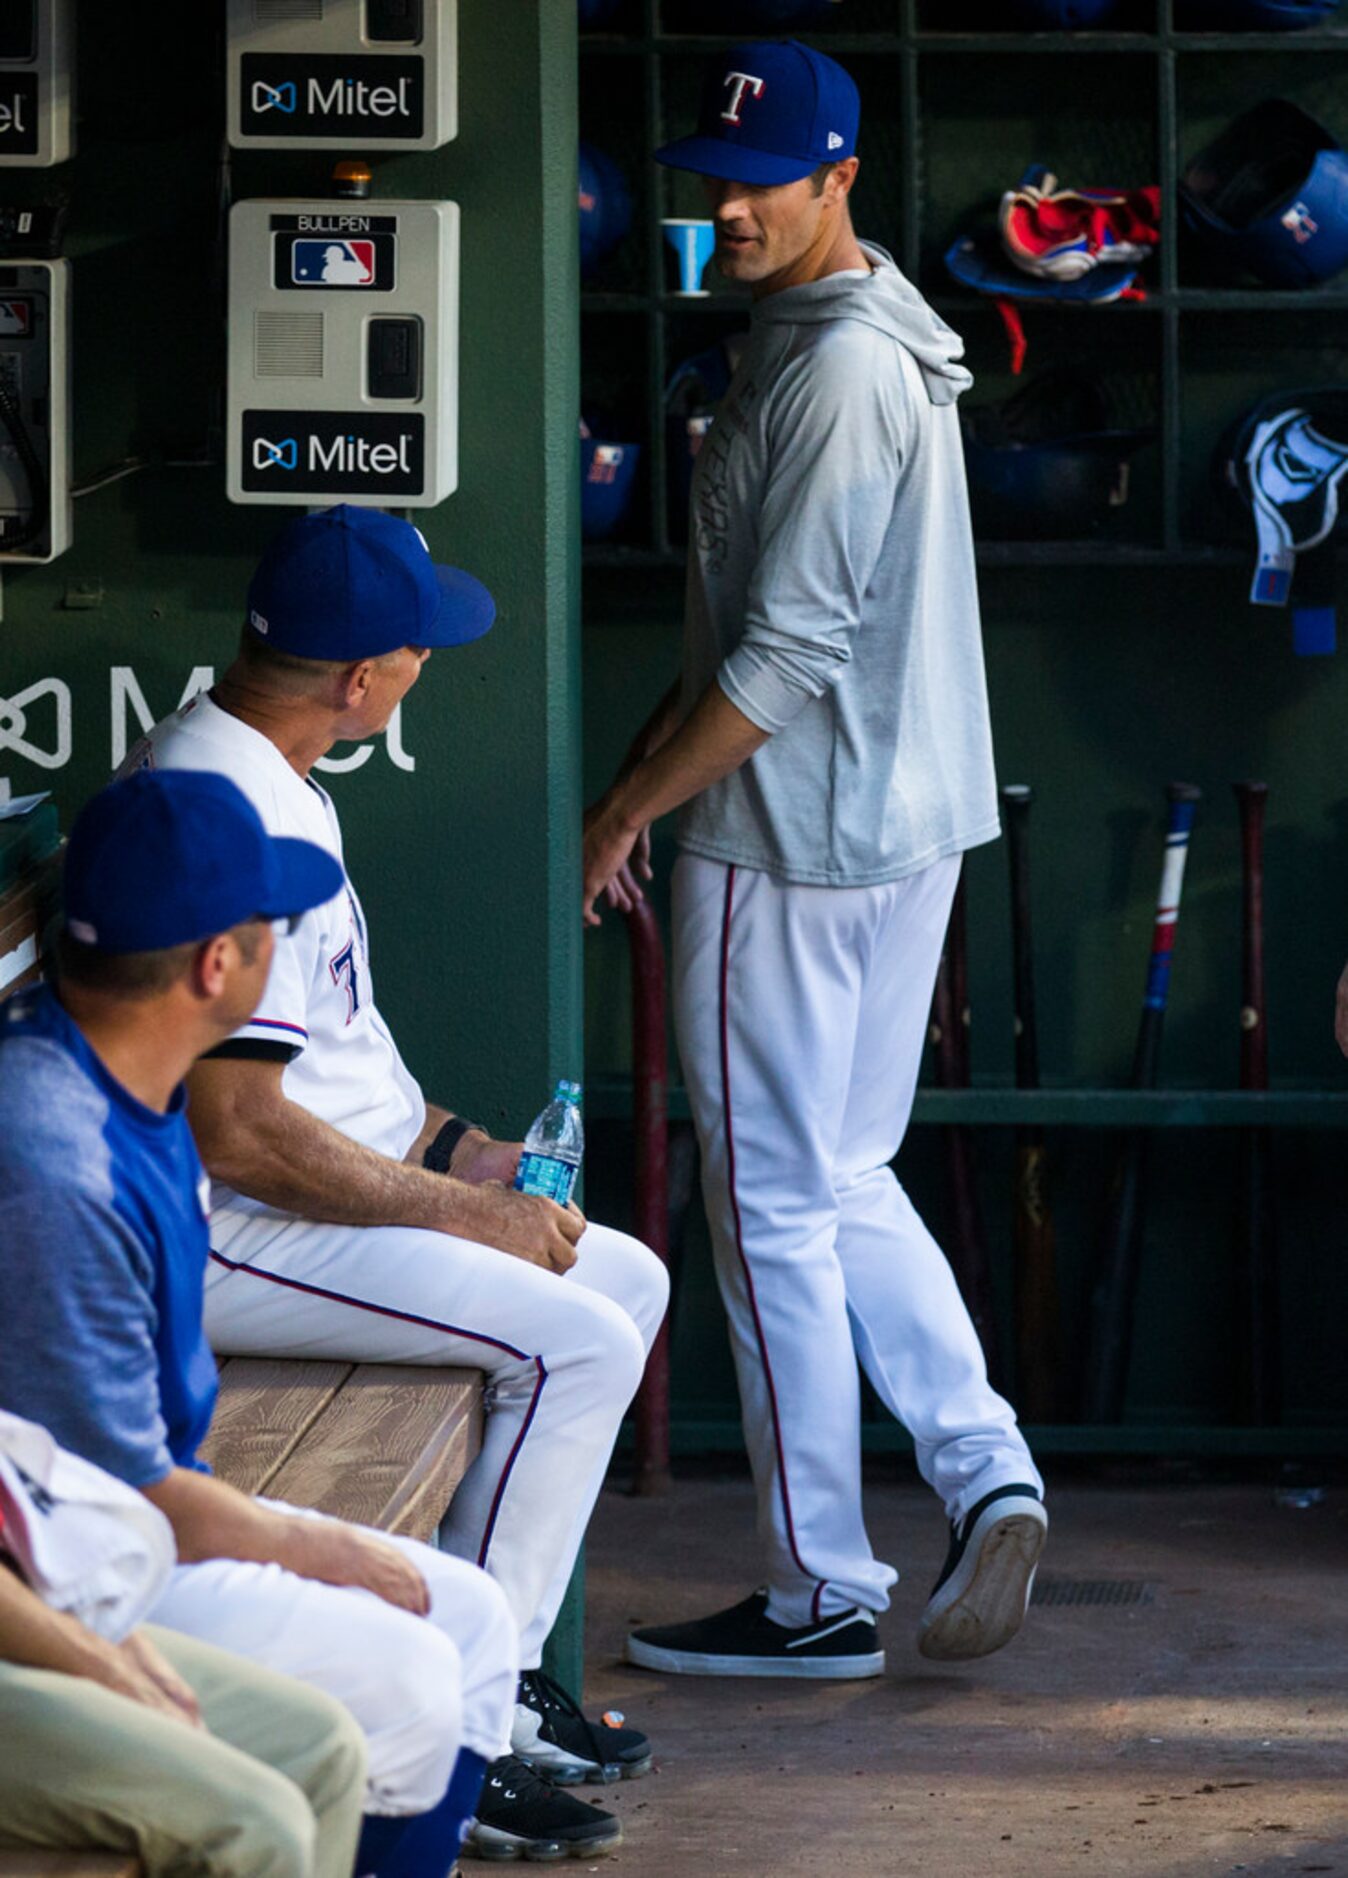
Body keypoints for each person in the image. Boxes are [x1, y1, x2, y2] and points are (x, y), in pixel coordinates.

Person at [582, 38, 1047, 1679]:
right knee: (841, 1176)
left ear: (837, 172)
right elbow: (743, 636)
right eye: (713, 184)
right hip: (893, 830)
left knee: (769, 1202)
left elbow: (776, 661)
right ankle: (985, 1466)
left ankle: (814, 1590)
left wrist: (637, 807)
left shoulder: (837, 362)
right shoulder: (846, 331)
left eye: (758, 180)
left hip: (787, 840)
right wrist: (635, 773)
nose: (727, 210)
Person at [125, 506, 668, 1859]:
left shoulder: (275, 768)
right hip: (233, 1227)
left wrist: (456, 1148)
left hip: (318, 1197)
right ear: (359, 680)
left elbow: (341, 1062)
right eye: (416, 645)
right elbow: (237, 1129)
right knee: (571, 1343)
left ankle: (504, 1676)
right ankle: (460, 1737)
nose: (431, 658)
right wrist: (465, 1209)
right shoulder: (216, 803)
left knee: (628, 1278)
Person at [0, 769, 521, 1877]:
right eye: (269, 925)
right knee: (420, 1671)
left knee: (470, 1619)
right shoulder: (55, 1163)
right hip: (80, 1554)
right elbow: (114, 1494)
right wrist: (312, 1542)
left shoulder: (112, 1070)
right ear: (214, 965)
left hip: (115, 1515)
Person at [0, 1407, 366, 1878]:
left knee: (323, 1747)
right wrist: (101, 1664)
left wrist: (99, 1613)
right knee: (254, 1828)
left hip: (31, 1588)